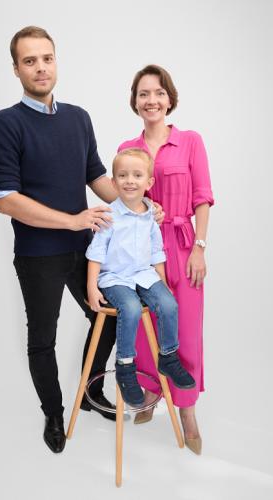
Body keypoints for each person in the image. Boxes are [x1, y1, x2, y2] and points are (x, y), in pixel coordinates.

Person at [0, 25, 121, 455]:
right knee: (43, 338)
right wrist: (72, 220)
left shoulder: (78, 117)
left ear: (55, 61)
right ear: (16, 69)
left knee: (109, 317)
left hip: (85, 250)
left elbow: (96, 176)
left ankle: (90, 391)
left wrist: (138, 202)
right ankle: (54, 413)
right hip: (38, 255)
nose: (40, 68)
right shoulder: (6, 123)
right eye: (30, 61)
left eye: (46, 58)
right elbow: (5, 200)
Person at [118, 65, 214, 454]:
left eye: (158, 93)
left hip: (180, 244)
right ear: (135, 102)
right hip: (138, 248)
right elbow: (125, 197)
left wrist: (199, 247)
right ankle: (149, 392)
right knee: (143, 325)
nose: (151, 100)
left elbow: (203, 197)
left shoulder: (190, 141)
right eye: (143, 94)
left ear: (169, 98)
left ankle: (187, 409)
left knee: (185, 327)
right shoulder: (127, 148)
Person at [86, 148, 195, 407]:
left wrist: (163, 281)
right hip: (115, 278)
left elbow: (157, 251)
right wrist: (92, 286)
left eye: (137, 175)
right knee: (131, 308)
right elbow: (96, 253)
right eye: (122, 175)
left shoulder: (150, 214)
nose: (130, 181)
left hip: (144, 274)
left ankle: (168, 356)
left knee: (168, 304)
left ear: (149, 182)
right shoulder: (109, 215)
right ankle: (125, 365)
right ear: (113, 183)